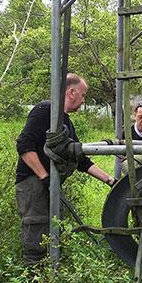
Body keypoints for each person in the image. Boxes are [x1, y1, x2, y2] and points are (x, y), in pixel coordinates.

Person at [15, 74, 115, 265]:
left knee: (53, 233)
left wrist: (110, 180)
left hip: (49, 184)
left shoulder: (65, 121)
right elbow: (23, 145)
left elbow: (81, 160)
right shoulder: (45, 110)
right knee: (36, 237)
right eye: (83, 94)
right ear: (71, 92)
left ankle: (50, 280)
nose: (84, 100)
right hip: (33, 184)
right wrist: (44, 177)